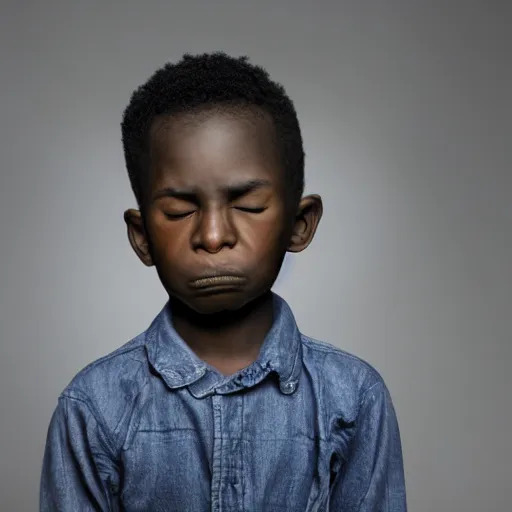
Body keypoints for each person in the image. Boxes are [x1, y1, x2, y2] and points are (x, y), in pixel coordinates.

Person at [40, 52, 407, 511]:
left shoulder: (354, 398)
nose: (214, 236)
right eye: (179, 211)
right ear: (142, 237)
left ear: (300, 223)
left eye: (248, 206)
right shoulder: (92, 406)